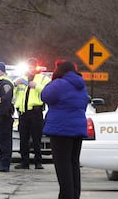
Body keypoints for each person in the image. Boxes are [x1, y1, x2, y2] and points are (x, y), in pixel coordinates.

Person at [41, 60, 89, 199]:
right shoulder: (81, 85)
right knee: (73, 164)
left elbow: (45, 95)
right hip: (78, 129)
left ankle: (66, 196)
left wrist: (52, 81)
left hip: (61, 130)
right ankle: (74, 195)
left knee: (63, 166)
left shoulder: (59, 84)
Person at [14, 58, 50, 170]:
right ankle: (24, 162)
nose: (31, 69)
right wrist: (15, 84)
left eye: (33, 67)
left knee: (36, 139)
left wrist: (37, 86)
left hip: (36, 112)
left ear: (37, 67)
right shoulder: (22, 79)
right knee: (23, 138)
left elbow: (48, 92)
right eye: (29, 67)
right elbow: (14, 93)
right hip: (23, 113)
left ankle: (38, 162)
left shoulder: (43, 78)